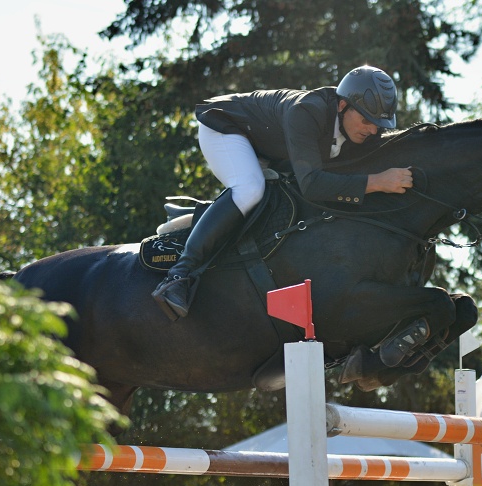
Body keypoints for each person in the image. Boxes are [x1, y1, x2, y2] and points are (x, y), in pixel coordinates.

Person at [152, 65, 414, 320]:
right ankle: (178, 276)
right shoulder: (307, 111)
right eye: (366, 120)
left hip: (267, 148)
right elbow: (312, 184)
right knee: (250, 189)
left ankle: (193, 219)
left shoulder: (354, 128)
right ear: (343, 105)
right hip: (226, 128)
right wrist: (377, 182)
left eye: (379, 124)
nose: (372, 130)